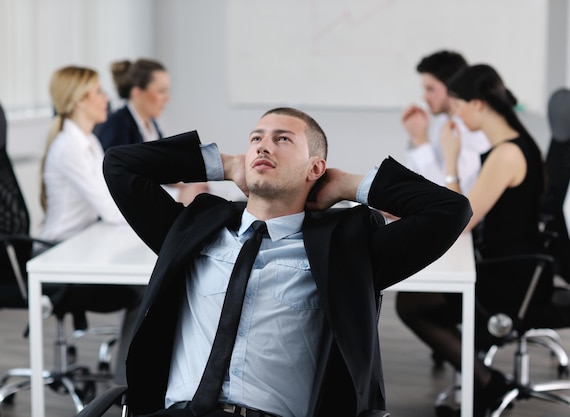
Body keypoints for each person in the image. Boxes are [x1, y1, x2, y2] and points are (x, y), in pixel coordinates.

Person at [102, 107, 472, 417]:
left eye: (283, 139)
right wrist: (227, 165)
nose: (264, 145)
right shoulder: (191, 229)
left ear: (315, 168)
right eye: (256, 138)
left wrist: (346, 185)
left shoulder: (347, 250)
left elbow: (450, 211)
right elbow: (121, 165)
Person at [396, 64, 547, 416]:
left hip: (510, 278)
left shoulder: (507, 154)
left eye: (460, 105)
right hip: (508, 265)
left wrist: (450, 160)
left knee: (411, 304)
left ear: (477, 104)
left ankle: (488, 384)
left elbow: (461, 219)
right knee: (415, 301)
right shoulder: (513, 146)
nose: (458, 115)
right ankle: (485, 382)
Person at [39, 65, 144, 385]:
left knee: (147, 282)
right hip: (60, 254)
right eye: (98, 92)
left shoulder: (88, 142)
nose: (105, 99)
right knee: (145, 287)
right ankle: (125, 384)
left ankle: (129, 378)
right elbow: (111, 209)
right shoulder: (69, 148)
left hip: (83, 242)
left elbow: (114, 196)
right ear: (78, 101)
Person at [98, 58, 208, 205]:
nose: (167, 98)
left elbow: (157, 168)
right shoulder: (117, 125)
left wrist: (185, 185)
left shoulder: (150, 124)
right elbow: (122, 183)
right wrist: (178, 194)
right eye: (161, 91)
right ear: (137, 92)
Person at [402, 50, 490, 194]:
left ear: (452, 86)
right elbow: (416, 179)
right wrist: (415, 138)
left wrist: (421, 140)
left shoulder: (470, 131)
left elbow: (446, 195)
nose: (424, 97)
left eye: (430, 89)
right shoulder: (443, 122)